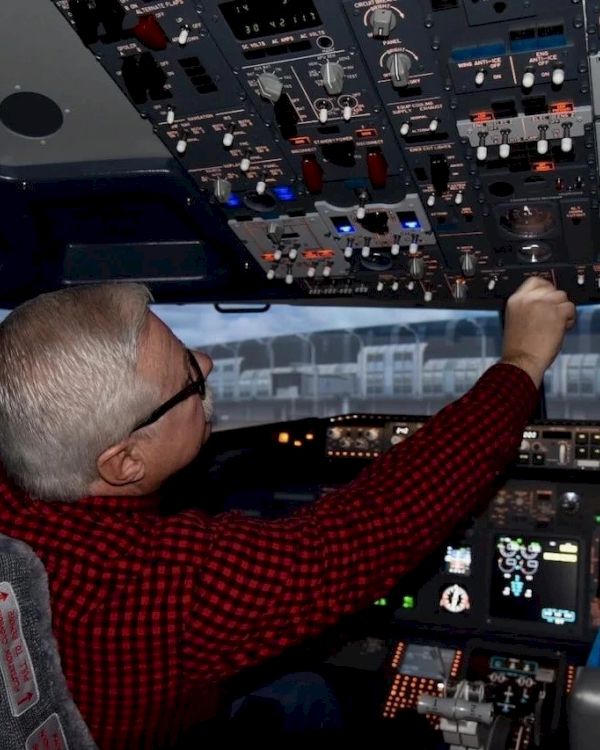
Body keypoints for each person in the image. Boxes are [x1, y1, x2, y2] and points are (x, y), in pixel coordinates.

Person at [0, 277, 574, 750]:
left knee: (302, 690)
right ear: (125, 462)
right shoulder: (158, 581)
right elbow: (370, 531)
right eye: (187, 376)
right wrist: (522, 361)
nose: (208, 363)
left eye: (188, 347)